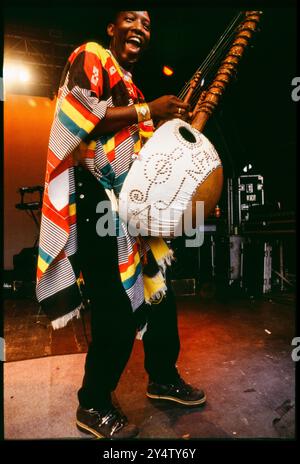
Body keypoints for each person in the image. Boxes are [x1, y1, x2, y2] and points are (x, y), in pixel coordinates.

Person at [36, 10, 206, 440]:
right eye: (130, 19)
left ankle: (162, 377)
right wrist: (150, 109)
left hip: (134, 211)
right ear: (111, 27)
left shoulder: (132, 89)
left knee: (158, 295)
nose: (140, 28)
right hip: (96, 201)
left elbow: (142, 153)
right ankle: (92, 403)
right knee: (114, 310)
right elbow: (77, 116)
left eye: (148, 24)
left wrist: (169, 125)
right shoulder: (91, 56)